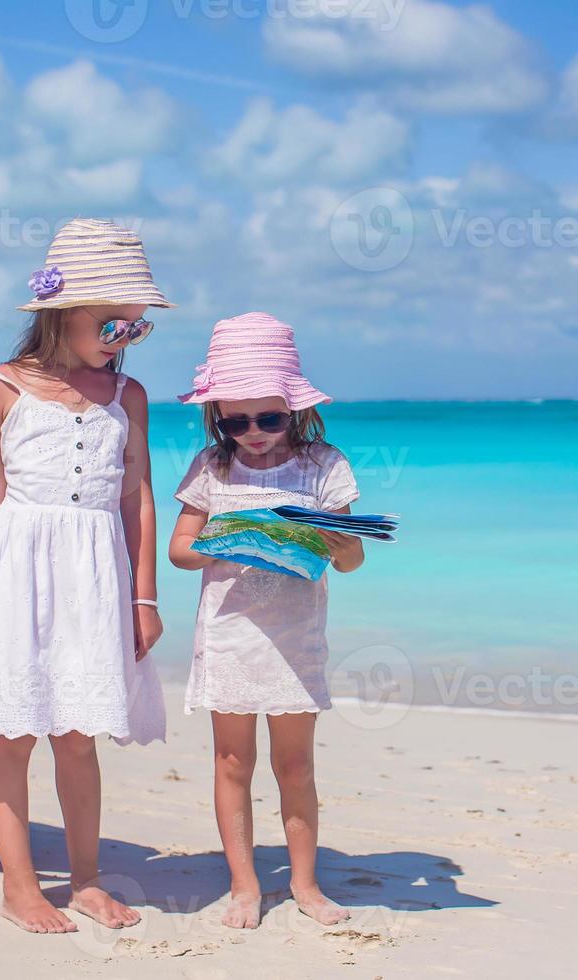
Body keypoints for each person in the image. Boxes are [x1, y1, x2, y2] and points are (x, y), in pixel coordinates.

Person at [0, 218, 169, 934]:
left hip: (95, 575)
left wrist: (144, 596)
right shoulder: (2, 386)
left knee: (79, 733)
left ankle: (85, 880)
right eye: (114, 324)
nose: (122, 339)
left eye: (136, 330)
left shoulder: (127, 397)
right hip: (17, 571)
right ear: (61, 314)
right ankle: (19, 886)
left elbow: (137, 497)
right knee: (12, 732)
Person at [168, 311, 364, 929]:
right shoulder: (212, 467)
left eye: (269, 418)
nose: (253, 432)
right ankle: (245, 885)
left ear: (294, 411)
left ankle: (305, 884)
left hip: (294, 634)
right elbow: (178, 550)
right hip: (230, 630)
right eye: (236, 420)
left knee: (296, 764)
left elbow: (353, 559)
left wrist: (329, 537)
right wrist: (233, 541)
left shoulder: (322, 465)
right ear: (217, 417)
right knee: (232, 761)